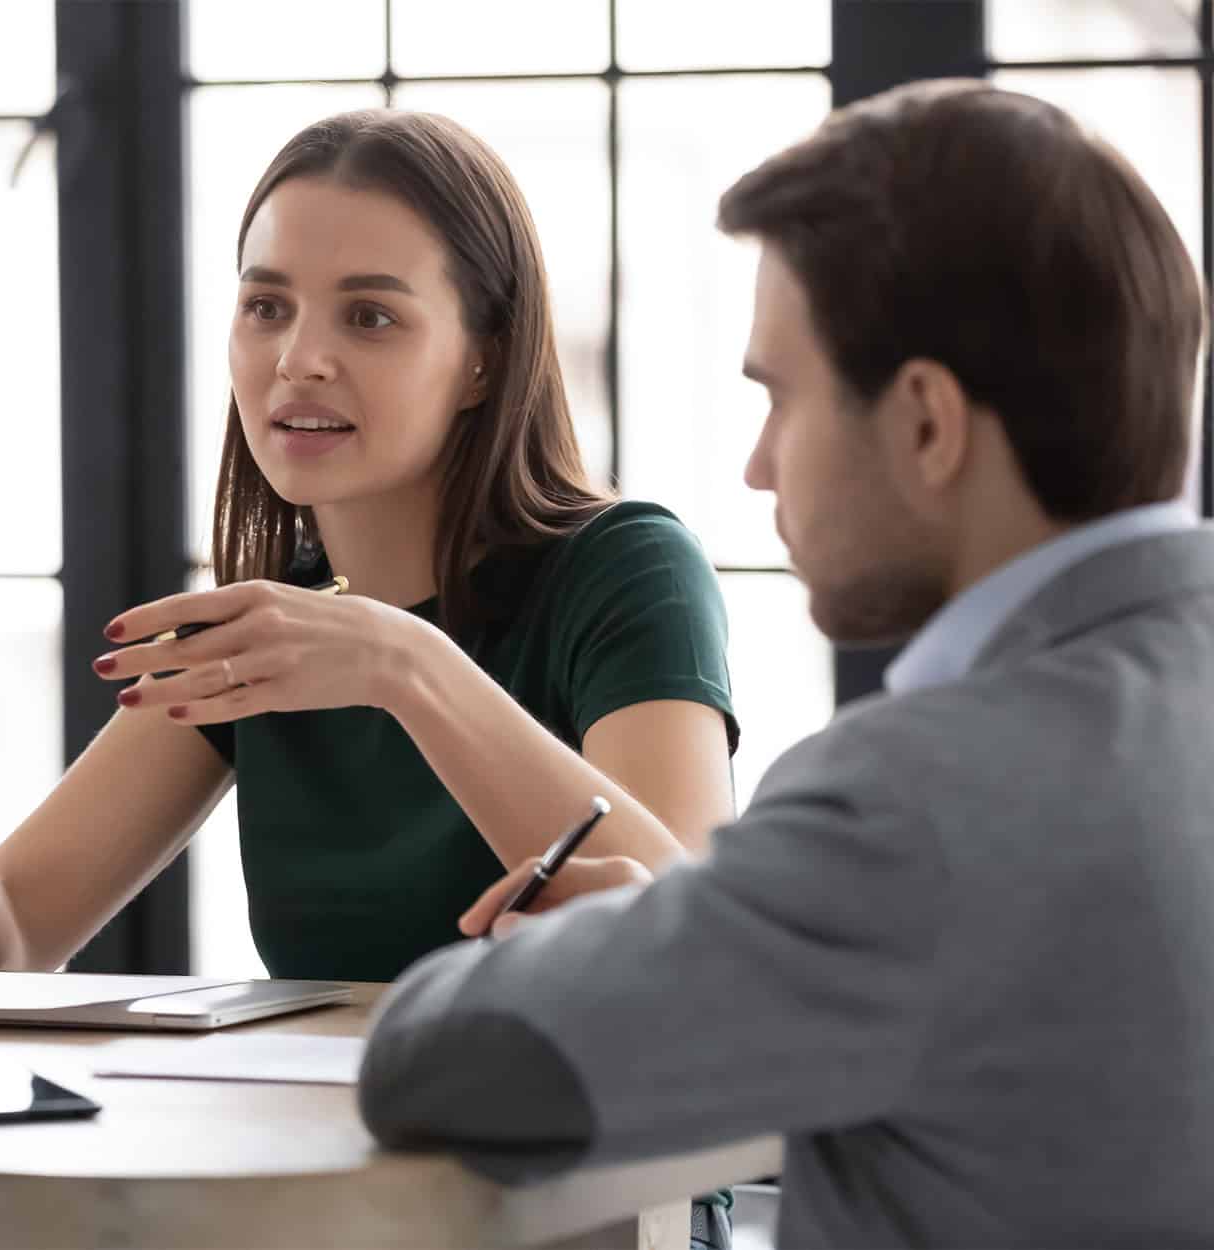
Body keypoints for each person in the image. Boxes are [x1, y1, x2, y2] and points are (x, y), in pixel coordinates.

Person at [357, 80, 1214, 1248]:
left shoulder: (913, 802)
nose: (758, 467)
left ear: (924, 423)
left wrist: (633, 938)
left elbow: (441, 1063)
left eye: (776, 396)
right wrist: (713, 927)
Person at [0, 109, 738, 983]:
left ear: (484, 357)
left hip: (600, 1196)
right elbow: (14, 929)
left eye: (370, 316)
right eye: (265, 306)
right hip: (343, 1172)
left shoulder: (622, 567)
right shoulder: (270, 622)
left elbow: (702, 949)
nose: (298, 359)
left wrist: (402, 662)